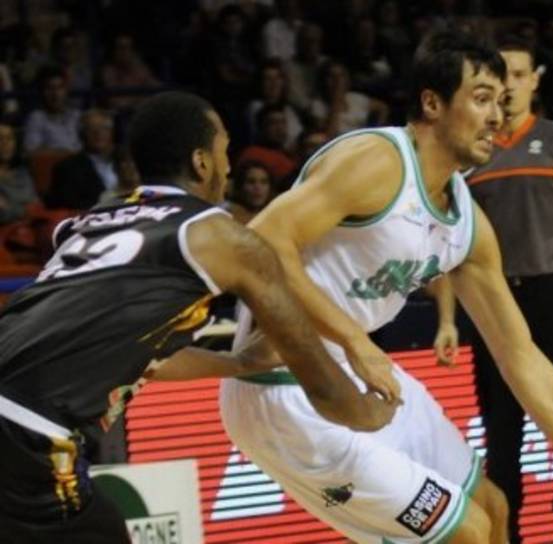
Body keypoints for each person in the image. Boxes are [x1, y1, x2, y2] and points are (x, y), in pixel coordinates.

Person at [219, 32, 553, 544]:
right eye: (481, 99)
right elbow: (257, 244)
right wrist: (354, 339)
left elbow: (521, 356)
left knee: (493, 508)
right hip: (286, 386)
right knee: (466, 533)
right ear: (433, 104)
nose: (496, 116)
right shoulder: (378, 161)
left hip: (363, 377)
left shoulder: (467, 225)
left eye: (500, 101)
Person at [0, 91, 395, 544]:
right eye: (225, 151)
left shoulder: (88, 223)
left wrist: (239, 363)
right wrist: (370, 413)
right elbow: (325, 388)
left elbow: (143, 359)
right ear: (201, 162)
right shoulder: (223, 238)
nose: (229, 167)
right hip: (27, 431)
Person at [464, 37, 553, 544]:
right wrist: (445, 318)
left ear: (535, 80)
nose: (508, 85)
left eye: (518, 74)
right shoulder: (471, 151)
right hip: (490, 302)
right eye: (499, 75)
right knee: (501, 440)